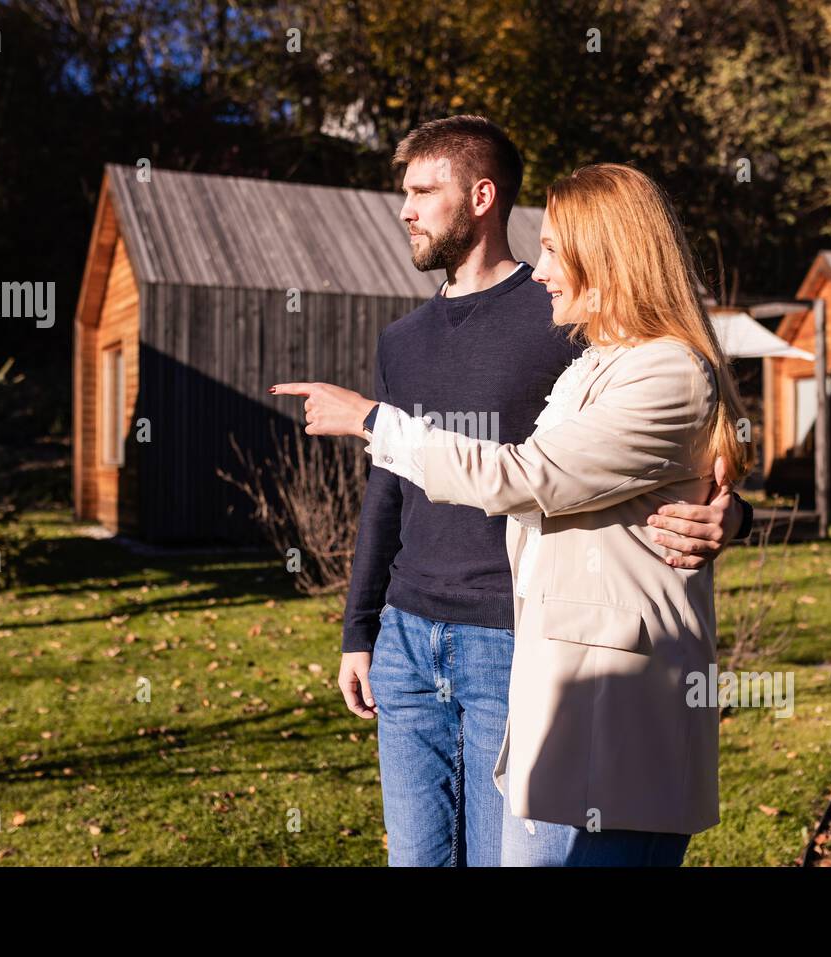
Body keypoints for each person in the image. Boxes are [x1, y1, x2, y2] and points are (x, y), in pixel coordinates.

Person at [279, 119, 751, 867]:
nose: (405, 209)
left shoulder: (569, 327)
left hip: (518, 640)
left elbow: (566, 463)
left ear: (481, 197)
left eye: (423, 191)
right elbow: (392, 488)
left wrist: (731, 507)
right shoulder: (408, 339)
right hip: (410, 635)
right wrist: (360, 624)